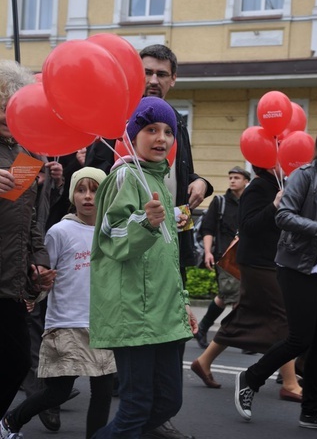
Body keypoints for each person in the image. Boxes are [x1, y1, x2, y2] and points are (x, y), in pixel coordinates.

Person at [85, 44, 213, 439]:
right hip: (134, 306)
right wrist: (145, 221)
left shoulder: (162, 165)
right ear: (132, 133)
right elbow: (110, 233)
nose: (161, 138)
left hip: (162, 304)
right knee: (136, 407)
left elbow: (169, 247)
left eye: (167, 132)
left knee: (166, 402)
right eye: (150, 130)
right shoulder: (123, 172)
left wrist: (182, 305)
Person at [234, 121, 317, 432]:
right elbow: (284, 216)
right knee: (300, 337)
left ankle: (312, 411)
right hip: (296, 264)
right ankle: (251, 378)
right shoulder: (304, 177)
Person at [0, 167, 116, 439]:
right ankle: (11, 421)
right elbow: (41, 272)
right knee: (58, 391)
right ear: (72, 195)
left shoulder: (111, 231)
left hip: (103, 324)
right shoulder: (60, 231)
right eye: (81, 189)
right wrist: (33, 292)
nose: (88, 197)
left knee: (103, 391)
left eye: (95, 190)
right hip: (66, 324)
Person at [191, 164, 302, 403]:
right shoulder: (259, 187)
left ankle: (203, 361)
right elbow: (249, 227)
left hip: (271, 260)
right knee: (283, 317)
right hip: (257, 263)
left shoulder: (279, 186)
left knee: (244, 313)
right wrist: (274, 205)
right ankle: (290, 383)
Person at [0, 60, 56, 428]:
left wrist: (37, 259)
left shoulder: (24, 154)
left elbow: (27, 217)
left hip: (10, 279)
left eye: (11, 104)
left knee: (18, 360)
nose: (6, 112)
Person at [194, 166, 250, 349]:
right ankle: (239, 337)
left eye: (237, 178)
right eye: (231, 177)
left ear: (246, 182)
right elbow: (207, 229)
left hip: (245, 257)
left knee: (226, 295)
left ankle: (203, 328)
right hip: (224, 257)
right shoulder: (220, 202)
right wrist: (208, 252)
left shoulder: (250, 204)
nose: (232, 180)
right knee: (235, 296)